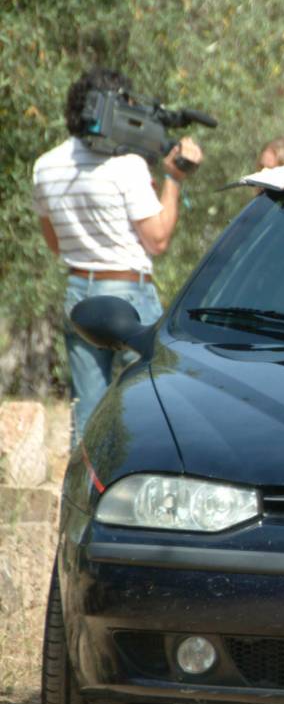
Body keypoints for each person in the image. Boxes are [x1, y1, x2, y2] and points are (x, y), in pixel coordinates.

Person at [33, 67, 204, 446]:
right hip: (128, 295)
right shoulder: (127, 166)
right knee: (150, 403)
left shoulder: (46, 166)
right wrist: (173, 180)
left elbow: (55, 242)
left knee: (88, 413)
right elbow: (157, 239)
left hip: (78, 290)